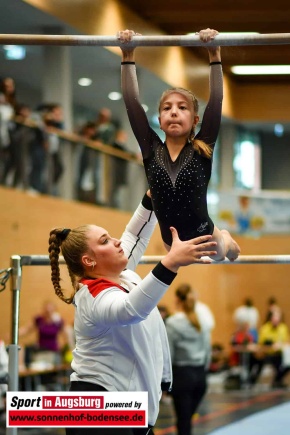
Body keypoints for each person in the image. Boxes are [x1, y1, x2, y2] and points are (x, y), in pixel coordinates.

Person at [48, 190, 217, 435]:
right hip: (99, 408)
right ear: (89, 261)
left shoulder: (123, 276)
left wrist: (152, 195)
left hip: (126, 405)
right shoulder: (92, 296)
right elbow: (131, 310)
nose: (116, 241)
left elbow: (134, 234)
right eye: (105, 241)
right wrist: (171, 262)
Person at [118, 28, 240, 262]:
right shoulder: (151, 150)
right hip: (172, 243)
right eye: (167, 108)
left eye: (182, 107)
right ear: (160, 121)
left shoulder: (202, 147)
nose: (174, 112)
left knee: (227, 253)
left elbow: (216, 101)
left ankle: (228, 239)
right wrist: (128, 55)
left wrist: (214, 55)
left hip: (207, 240)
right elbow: (131, 102)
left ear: (195, 120)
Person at [165, 284, 212, 435]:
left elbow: (168, 353)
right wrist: (204, 371)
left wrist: (165, 380)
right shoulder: (203, 322)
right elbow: (207, 351)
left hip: (182, 376)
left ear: (177, 299)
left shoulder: (173, 323)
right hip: (200, 377)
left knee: (183, 422)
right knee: (186, 420)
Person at [249, 309, 290, 388]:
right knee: (256, 361)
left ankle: (277, 380)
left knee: (286, 364)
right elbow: (261, 343)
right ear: (271, 318)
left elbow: (286, 341)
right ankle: (251, 381)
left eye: (278, 317)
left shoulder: (283, 328)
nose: (276, 319)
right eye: (275, 317)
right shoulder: (265, 328)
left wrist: (280, 345)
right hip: (267, 353)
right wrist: (270, 345)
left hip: (279, 354)